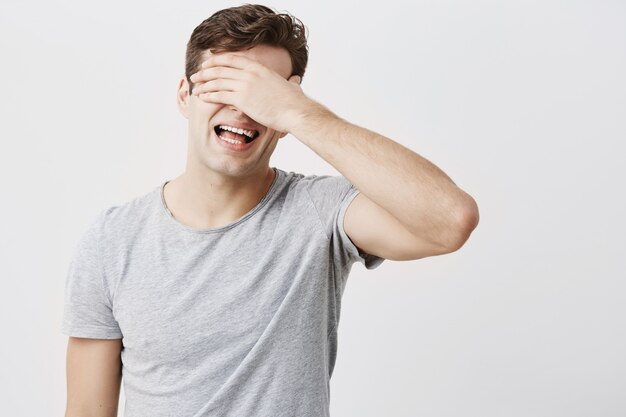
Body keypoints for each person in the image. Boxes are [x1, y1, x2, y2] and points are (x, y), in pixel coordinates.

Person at [61, 4, 479, 417]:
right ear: (185, 96)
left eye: (262, 95)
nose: (244, 110)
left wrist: (297, 111)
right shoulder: (112, 239)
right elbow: (85, 411)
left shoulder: (320, 213)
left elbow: (450, 220)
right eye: (226, 86)